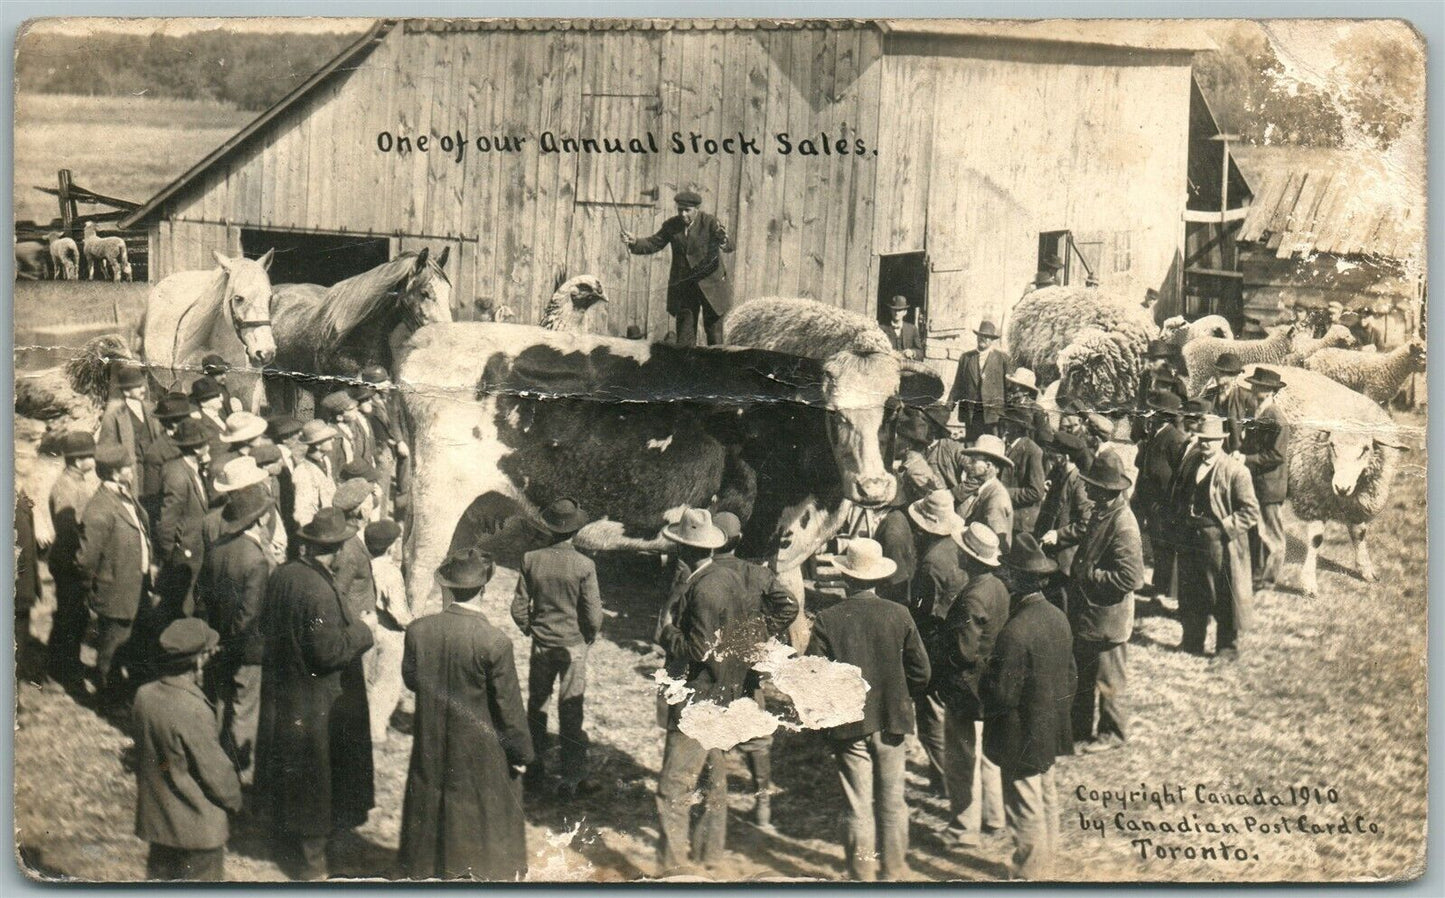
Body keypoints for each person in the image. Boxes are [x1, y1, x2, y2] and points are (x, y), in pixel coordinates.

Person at [255, 507, 376, 881]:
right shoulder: (319, 590)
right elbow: (327, 652)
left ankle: (283, 843)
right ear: (337, 550)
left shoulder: (284, 575)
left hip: (285, 693)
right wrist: (363, 632)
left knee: (289, 774)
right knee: (316, 782)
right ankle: (312, 866)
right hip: (315, 702)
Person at [399, 548, 533, 881]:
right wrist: (521, 753)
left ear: (447, 587)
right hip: (479, 752)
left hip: (431, 740)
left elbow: (412, 680)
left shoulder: (418, 631)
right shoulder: (494, 641)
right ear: (484, 589)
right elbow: (509, 708)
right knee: (479, 817)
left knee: (433, 804)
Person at [807, 538, 932, 881]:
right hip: (892, 719)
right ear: (878, 579)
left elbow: (811, 676)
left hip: (849, 723)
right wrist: (902, 696)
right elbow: (922, 672)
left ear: (846, 578)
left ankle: (862, 874)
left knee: (858, 804)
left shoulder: (828, 619)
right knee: (893, 800)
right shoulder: (900, 614)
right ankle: (894, 870)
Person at [654, 508, 759, 872]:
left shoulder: (702, 589)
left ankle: (671, 870)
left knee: (674, 786)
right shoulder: (727, 578)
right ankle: (709, 854)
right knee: (713, 778)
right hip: (722, 694)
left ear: (683, 549)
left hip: (696, 699)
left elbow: (698, 650)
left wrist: (668, 630)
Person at [983, 534, 1076, 881]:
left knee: (1024, 803)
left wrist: (984, 686)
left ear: (1016, 581)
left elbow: (1003, 695)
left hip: (1020, 732)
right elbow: (1071, 676)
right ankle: (1049, 860)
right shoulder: (1058, 617)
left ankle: (1028, 874)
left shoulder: (1015, 631)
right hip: (1051, 723)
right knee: (1046, 794)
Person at [706, 512, 798, 830]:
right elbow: (790, 605)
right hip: (744, 664)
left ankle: (713, 812)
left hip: (709, 663)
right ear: (739, 540)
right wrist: (762, 632)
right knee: (756, 737)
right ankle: (763, 811)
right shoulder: (757, 574)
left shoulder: (701, 574)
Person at [132, 618, 242, 881]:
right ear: (199, 661)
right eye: (209, 652)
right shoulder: (193, 708)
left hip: (160, 826)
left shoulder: (143, 695)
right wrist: (236, 801)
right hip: (198, 834)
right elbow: (216, 775)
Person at [510, 498, 602, 795]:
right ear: (575, 531)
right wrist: (588, 635)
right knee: (571, 709)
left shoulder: (530, 559)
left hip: (542, 644)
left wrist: (531, 629)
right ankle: (572, 776)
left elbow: (518, 607)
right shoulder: (584, 564)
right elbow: (593, 613)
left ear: (548, 527)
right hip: (573, 645)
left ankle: (534, 772)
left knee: (537, 706)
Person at [1053, 453, 1143, 753]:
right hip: (1092, 613)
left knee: (1108, 679)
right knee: (1085, 673)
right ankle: (1080, 730)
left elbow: (1130, 578)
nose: (1087, 491)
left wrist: (1090, 574)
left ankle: (1112, 733)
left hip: (1109, 616)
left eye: (1092, 486)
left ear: (1107, 490)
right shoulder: (1103, 511)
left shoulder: (1123, 524)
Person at [934, 523, 1008, 849]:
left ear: (971, 557)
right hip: (992, 683)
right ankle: (994, 818)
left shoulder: (972, 597)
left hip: (968, 689)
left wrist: (942, 656)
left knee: (962, 758)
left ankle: (964, 829)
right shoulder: (998, 588)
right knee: (990, 755)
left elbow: (964, 651)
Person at [195, 485, 274, 786]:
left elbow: (201, 595)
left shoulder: (217, 548)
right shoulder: (256, 560)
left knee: (220, 703)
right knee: (244, 709)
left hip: (217, 641)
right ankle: (239, 774)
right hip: (245, 649)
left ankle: (211, 765)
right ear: (259, 520)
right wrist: (232, 644)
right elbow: (249, 614)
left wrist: (213, 639)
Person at [1167, 416, 1260, 662]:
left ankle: (1226, 649)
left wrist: (1225, 528)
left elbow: (1250, 512)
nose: (1206, 445)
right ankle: (1192, 642)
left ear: (1221, 441)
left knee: (1222, 594)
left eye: (1212, 441)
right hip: (1190, 535)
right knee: (1190, 591)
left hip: (1218, 542)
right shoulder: (1191, 463)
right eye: (1203, 439)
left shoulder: (1236, 471)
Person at [77, 443, 154, 706]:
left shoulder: (124, 495)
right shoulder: (99, 508)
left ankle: (126, 694)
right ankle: (107, 700)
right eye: (127, 468)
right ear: (112, 472)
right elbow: (86, 559)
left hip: (136, 585)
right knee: (110, 650)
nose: (132, 472)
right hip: (116, 592)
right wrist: (93, 592)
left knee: (131, 646)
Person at [904, 488, 967, 799]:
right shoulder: (957, 548)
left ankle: (943, 781)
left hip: (935, 645)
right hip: (957, 642)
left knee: (930, 717)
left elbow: (926, 612)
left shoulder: (930, 563)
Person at [623, 190, 734, 347]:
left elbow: (728, 245)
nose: (682, 214)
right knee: (684, 339)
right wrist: (634, 242)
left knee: (715, 339)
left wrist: (724, 241)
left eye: (687, 210)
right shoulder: (672, 225)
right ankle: (686, 370)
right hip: (685, 288)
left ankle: (715, 370)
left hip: (712, 288)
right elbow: (654, 243)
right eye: (680, 209)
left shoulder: (710, 223)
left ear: (697, 209)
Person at [45, 431, 99, 692]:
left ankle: (57, 664)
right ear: (78, 461)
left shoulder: (75, 481)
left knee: (70, 616)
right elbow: (68, 532)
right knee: (72, 617)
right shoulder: (67, 487)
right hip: (69, 561)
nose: (93, 459)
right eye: (89, 456)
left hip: (69, 559)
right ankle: (67, 672)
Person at [1132, 391, 1189, 602]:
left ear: (1163, 415)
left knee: (1165, 545)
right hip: (1150, 499)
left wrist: (1168, 504)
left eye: (1153, 412)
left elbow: (1178, 475)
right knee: (1157, 544)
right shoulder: (1153, 435)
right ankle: (1159, 585)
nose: (1149, 415)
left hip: (1163, 502)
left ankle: (1167, 589)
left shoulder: (1174, 439)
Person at [155, 418, 211, 626]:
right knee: (183, 608)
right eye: (205, 443)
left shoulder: (194, 468)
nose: (208, 446)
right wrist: (172, 553)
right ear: (197, 448)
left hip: (196, 548)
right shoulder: (177, 474)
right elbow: (167, 521)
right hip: (185, 552)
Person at [1239, 367, 1290, 592]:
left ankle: (1269, 580)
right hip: (1259, 483)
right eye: (1253, 385)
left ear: (1269, 391)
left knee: (1273, 536)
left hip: (1270, 486)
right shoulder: (1257, 412)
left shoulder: (1277, 419)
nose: (1252, 389)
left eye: (1257, 387)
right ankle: (1257, 578)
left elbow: (1277, 455)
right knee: (1257, 533)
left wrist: (1245, 458)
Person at [363, 519, 412, 745]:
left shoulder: (365, 565)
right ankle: (376, 731)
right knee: (388, 683)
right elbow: (399, 614)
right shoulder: (391, 573)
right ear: (391, 546)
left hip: (368, 626)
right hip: (389, 631)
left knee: (369, 680)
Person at [99, 365, 167, 521]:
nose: (142, 389)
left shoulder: (151, 409)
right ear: (126, 391)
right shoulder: (114, 415)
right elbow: (105, 449)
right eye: (137, 387)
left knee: (157, 512)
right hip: (132, 474)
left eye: (142, 384)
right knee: (138, 514)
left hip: (154, 472)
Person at [1033, 429, 1093, 598]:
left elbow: (1086, 524)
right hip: (1053, 553)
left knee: (1062, 600)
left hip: (1066, 560)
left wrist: (1059, 535)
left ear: (1065, 458)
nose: (1050, 460)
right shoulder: (1061, 476)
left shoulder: (1079, 483)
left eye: (1053, 455)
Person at [947, 321, 1012, 440]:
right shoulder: (966, 358)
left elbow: (1009, 388)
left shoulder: (1003, 359)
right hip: (972, 413)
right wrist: (947, 407)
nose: (983, 338)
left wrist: (1008, 414)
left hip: (993, 416)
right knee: (972, 447)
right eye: (980, 335)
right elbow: (958, 385)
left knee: (993, 446)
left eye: (987, 336)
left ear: (992, 340)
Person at [331, 478, 378, 621]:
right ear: (362, 512)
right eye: (370, 503)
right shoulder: (349, 549)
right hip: (357, 619)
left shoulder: (350, 533)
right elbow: (339, 593)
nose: (374, 505)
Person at [959, 434, 1015, 551]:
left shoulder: (996, 499)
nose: (969, 465)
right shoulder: (988, 489)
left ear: (988, 466)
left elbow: (996, 544)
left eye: (974, 461)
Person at [999, 408, 1046, 537]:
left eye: (1007, 422)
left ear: (1017, 427)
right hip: (1006, 516)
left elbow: (1036, 492)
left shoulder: (1033, 451)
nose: (1002, 425)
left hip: (1020, 523)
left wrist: (1004, 492)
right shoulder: (1006, 446)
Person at [1201, 352, 1256, 454]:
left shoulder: (1246, 397)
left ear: (1233, 376)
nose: (1218, 375)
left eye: (1223, 372)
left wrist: (1242, 450)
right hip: (1212, 447)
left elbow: (1253, 428)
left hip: (1235, 450)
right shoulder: (1210, 393)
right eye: (1218, 371)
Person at [291, 419, 339, 529]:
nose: (333, 439)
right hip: (316, 528)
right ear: (318, 445)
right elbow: (302, 512)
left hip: (330, 520)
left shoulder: (325, 460)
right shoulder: (303, 472)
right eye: (328, 438)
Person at [1138, 340, 1188, 409]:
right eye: (1149, 359)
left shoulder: (1176, 382)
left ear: (1165, 360)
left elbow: (1182, 408)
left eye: (1154, 360)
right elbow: (1141, 402)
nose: (1150, 363)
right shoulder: (1146, 376)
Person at [319, 390, 360, 469]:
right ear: (339, 417)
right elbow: (333, 467)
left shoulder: (347, 427)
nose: (357, 409)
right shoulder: (333, 438)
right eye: (351, 409)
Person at [190, 376, 229, 456]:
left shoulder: (221, 414)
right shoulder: (201, 423)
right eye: (216, 396)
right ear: (203, 402)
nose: (221, 398)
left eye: (219, 395)